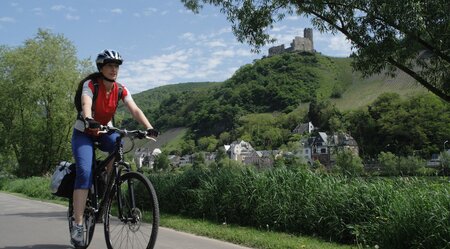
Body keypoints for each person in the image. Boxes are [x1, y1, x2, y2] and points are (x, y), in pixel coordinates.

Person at [70, 49, 158, 247]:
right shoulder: (91, 85)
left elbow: (134, 108)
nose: (113, 69)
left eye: (116, 66)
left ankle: (108, 193)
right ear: (101, 68)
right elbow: (86, 102)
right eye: (109, 65)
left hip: (104, 132)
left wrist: (149, 128)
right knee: (84, 172)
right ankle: (78, 224)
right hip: (84, 132)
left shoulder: (120, 89)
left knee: (118, 144)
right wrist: (89, 118)